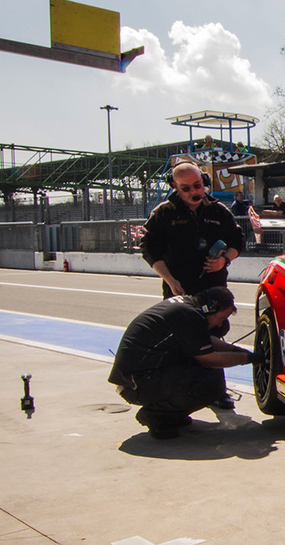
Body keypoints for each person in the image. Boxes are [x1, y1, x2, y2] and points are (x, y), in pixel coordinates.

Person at [108, 288, 259, 439]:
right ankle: (157, 416)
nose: (220, 325)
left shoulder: (188, 308)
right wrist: (246, 359)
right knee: (210, 383)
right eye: (220, 318)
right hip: (136, 384)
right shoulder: (190, 316)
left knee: (211, 372)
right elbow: (208, 359)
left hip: (141, 376)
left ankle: (171, 414)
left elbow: (205, 342)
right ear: (210, 307)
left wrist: (237, 351)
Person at [141, 162, 247, 299]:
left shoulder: (219, 211)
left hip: (214, 290)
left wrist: (224, 259)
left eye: (197, 185)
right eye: (186, 188)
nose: (193, 192)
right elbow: (149, 249)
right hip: (179, 291)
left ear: (204, 181)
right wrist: (170, 281)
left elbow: (237, 241)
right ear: (175, 186)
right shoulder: (163, 213)